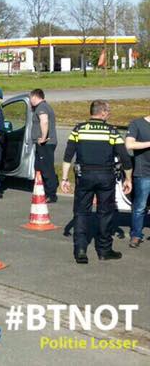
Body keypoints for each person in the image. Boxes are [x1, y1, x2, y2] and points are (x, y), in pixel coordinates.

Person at [61, 100, 133, 264]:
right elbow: (125, 157)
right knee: (105, 213)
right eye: (108, 111)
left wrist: (64, 179)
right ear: (102, 113)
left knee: (81, 212)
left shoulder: (78, 129)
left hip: (83, 176)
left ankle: (80, 250)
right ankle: (104, 250)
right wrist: (128, 179)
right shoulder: (111, 131)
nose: (109, 114)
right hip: (105, 177)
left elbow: (67, 156)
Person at [125, 110, 150, 248]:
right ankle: (136, 235)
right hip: (144, 171)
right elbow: (129, 144)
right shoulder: (137, 124)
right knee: (140, 206)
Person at [30, 88, 59, 203]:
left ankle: (51, 194)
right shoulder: (44, 106)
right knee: (39, 167)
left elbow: (44, 121)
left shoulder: (41, 107)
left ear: (35, 97)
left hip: (46, 144)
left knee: (47, 169)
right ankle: (42, 190)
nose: (30, 101)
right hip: (45, 143)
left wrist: (43, 136)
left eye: (31, 98)